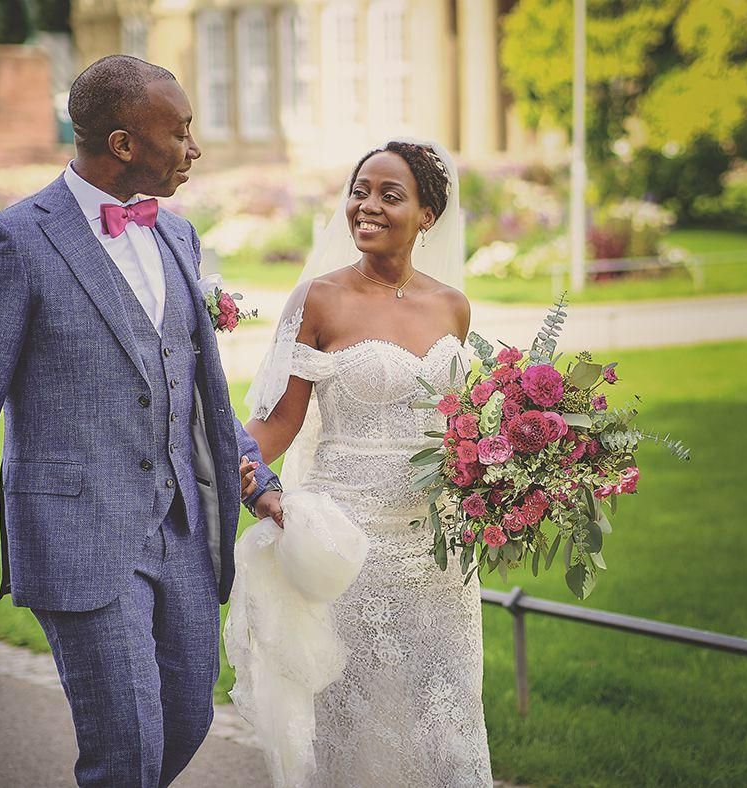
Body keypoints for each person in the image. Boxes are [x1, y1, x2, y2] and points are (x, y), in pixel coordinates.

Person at [0, 55, 282, 786]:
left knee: (189, 720)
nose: (194, 148)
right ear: (123, 144)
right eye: (182, 132)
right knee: (126, 749)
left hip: (184, 536)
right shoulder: (11, 243)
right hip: (78, 539)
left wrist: (260, 480)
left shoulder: (177, 236)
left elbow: (197, 388)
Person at [232, 139, 494, 787]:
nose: (366, 206)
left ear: (428, 215)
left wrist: (504, 472)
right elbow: (277, 423)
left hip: (439, 559)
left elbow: (456, 430)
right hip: (347, 549)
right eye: (358, 191)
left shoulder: (452, 307)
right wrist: (224, 464)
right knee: (355, 732)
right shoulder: (317, 300)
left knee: (450, 727)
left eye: (388, 195)